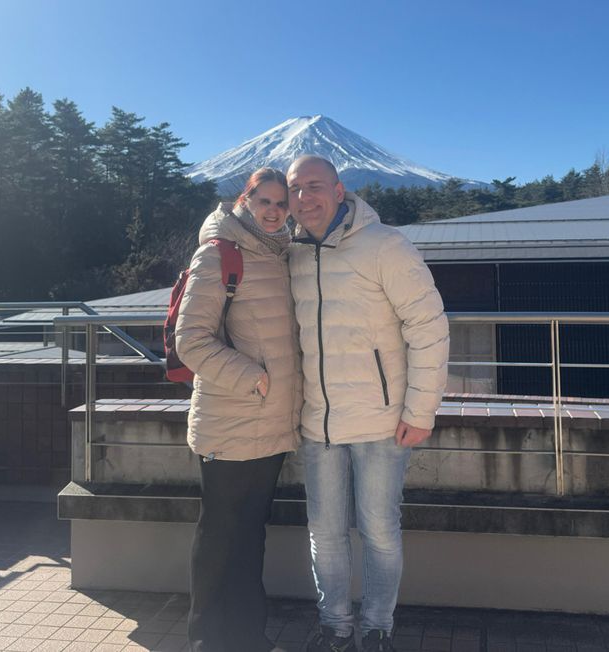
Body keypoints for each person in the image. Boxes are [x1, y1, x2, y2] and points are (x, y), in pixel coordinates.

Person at [287, 156, 450, 652]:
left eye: (314, 186)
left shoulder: (385, 245)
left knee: (379, 531)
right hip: (318, 423)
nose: (304, 197)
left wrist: (420, 411)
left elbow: (429, 326)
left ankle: (378, 627)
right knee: (324, 533)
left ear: (340, 191)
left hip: (382, 422)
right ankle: (335, 627)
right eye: (295, 188)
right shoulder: (290, 253)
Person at [176, 168, 301, 652]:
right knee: (219, 533)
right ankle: (206, 639)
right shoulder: (219, 253)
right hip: (229, 419)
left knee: (250, 535)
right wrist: (253, 378)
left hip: (272, 423)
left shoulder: (283, 254)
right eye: (263, 200)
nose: (273, 211)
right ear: (243, 200)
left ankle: (249, 637)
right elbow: (191, 341)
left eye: (281, 203)